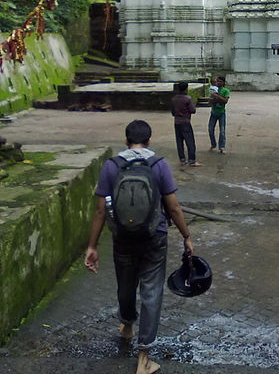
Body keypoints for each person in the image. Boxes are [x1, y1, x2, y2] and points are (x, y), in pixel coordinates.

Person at [84, 119, 194, 374]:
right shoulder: (159, 165)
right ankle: (144, 357)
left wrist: (92, 246)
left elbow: (100, 211)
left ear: (125, 140)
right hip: (154, 237)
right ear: (149, 140)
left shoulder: (112, 166)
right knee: (151, 291)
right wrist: (186, 236)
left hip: (122, 238)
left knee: (125, 283)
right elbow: (174, 207)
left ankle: (127, 326)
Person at [171, 81, 201, 167]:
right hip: (185, 121)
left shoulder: (174, 99)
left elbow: (173, 112)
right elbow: (193, 110)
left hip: (177, 122)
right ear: (186, 89)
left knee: (179, 141)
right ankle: (192, 160)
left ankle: (182, 159)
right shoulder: (187, 99)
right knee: (190, 141)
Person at [208, 75, 231, 154]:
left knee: (222, 131)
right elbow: (210, 101)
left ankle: (222, 146)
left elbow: (225, 101)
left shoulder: (225, 91)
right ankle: (213, 144)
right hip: (213, 112)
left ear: (223, 82)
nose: (218, 83)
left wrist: (217, 96)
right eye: (217, 81)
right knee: (210, 129)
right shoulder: (214, 89)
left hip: (221, 113)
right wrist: (212, 99)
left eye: (220, 81)